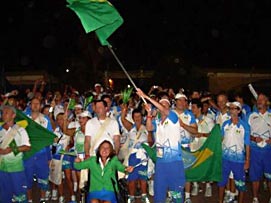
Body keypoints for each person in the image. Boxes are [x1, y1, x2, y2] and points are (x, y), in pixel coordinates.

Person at [137, 88, 186, 203]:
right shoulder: (158, 122)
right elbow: (149, 128)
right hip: (160, 163)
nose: (162, 107)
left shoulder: (173, 117)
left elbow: (163, 110)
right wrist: (149, 114)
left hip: (174, 162)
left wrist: (146, 96)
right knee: (159, 194)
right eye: (160, 103)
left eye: (164, 104)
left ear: (168, 107)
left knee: (177, 194)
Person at [218, 101, 250, 203]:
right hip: (225, 158)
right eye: (230, 108)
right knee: (222, 182)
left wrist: (247, 160)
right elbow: (221, 140)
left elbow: (247, 144)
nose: (231, 110)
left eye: (234, 108)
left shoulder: (244, 126)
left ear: (239, 111)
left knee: (240, 184)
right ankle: (220, 201)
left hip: (239, 160)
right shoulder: (225, 124)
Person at [23, 98, 53, 203]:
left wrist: (49, 157)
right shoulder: (24, 119)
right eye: (33, 103)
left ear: (40, 106)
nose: (35, 105)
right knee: (27, 179)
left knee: (43, 178)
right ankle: (30, 200)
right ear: (30, 105)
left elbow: (49, 139)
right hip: (28, 154)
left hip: (42, 154)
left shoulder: (45, 120)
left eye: (38, 103)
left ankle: (43, 199)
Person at [0, 105, 31, 203]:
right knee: (4, 195)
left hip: (16, 168)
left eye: (6, 112)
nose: (3, 115)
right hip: (2, 168)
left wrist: (11, 150)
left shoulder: (20, 130)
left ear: (13, 115)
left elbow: (27, 146)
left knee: (20, 195)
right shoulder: (0, 130)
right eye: (2, 113)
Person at [120, 107, 151, 203]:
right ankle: (131, 196)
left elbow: (150, 141)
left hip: (143, 157)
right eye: (135, 117)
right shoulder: (130, 127)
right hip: (132, 157)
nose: (137, 118)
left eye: (139, 116)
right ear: (133, 118)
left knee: (143, 178)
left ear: (142, 117)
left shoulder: (147, 128)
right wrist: (123, 110)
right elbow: (122, 119)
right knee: (131, 178)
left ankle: (144, 195)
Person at [173, 93, 198, 203]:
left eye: (184, 100)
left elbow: (195, 131)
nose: (182, 103)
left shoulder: (190, 115)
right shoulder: (170, 113)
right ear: (176, 101)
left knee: (186, 173)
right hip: (173, 148)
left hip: (186, 147)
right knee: (172, 172)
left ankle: (187, 197)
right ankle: (173, 194)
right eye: (180, 100)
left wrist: (184, 125)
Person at [248, 93, 271, 203]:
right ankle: (255, 198)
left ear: (267, 102)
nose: (259, 101)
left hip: (268, 150)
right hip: (255, 150)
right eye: (258, 99)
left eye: (262, 99)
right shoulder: (251, 115)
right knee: (255, 176)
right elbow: (246, 133)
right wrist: (253, 138)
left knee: (270, 175)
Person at [190, 99, 215, 197]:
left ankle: (208, 186)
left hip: (205, 148)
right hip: (194, 147)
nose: (192, 109)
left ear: (199, 108)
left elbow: (213, 134)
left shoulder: (208, 120)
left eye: (194, 107)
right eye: (191, 107)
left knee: (206, 167)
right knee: (194, 167)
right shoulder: (191, 120)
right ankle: (195, 185)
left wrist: (202, 134)